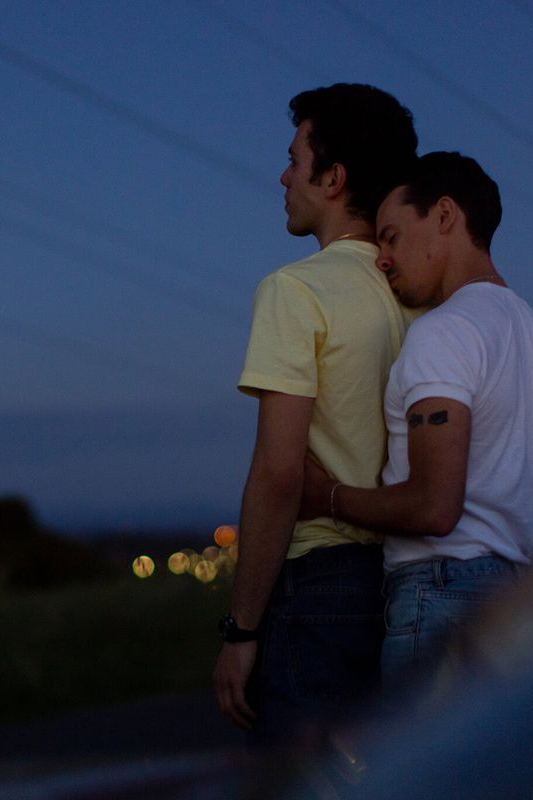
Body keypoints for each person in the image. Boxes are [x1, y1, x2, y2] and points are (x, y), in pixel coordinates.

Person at [300, 151, 533, 698]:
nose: (382, 258)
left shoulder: (443, 332)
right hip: (511, 605)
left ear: (445, 216)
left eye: (391, 236)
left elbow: (434, 507)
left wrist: (326, 497)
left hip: (438, 597)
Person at [213, 83, 419, 745]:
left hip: (318, 587)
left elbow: (278, 474)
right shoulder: (421, 297)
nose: (282, 175)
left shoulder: (295, 290)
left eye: (295, 159)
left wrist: (242, 629)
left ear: (333, 178)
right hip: (405, 581)